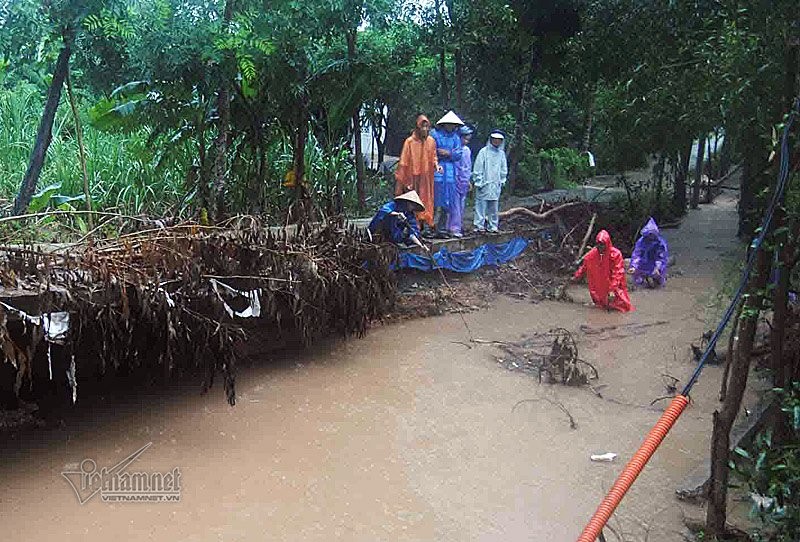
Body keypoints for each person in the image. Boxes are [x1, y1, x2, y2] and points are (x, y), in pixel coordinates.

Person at [394, 115, 440, 231]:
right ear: (417, 127)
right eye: (422, 126)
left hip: (426, 177)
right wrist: (403, 178)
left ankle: (425, 221)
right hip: (412, 176)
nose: (425, 129)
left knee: (426, 199)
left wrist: (436, 165)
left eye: (427, 126)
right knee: (413, 200)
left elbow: (434, 156)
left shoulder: (431, 141)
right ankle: (414, 225)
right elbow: (404, 161)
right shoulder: (409, 142)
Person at [572, 230, 634, 312]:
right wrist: (576, 277)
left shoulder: (615, 254)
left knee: (622, 307)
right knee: (601, 307)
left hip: (614, 285)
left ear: (607, 243)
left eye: (602, 244)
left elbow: (618, 272)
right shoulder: (591, 255)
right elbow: (584, 267)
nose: (600, 247)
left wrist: (612, 289)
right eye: (598, 244)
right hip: (599, 286)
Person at [431, 111, 465, 237]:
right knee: (435, 200)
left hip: (450, 173)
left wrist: (448, 153)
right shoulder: (435, 134)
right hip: (437, 170)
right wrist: (446, 153)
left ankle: (442, 228)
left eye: (453, 124)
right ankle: (429, 227)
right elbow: (432, 151)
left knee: (448, 201)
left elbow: (458, 154)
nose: (451, 126)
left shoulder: (456, 137)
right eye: (449, 124)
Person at [472, 130, 507, 233]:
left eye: (499, 140)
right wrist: (479, 181)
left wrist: (502, 180)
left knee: (494, 206)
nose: (497, 142)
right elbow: (478, 167)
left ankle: (493, 226)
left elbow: (503, 169)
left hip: (496, 184)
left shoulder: (501, 154)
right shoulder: (483, 152)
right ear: (491, 140)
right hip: (484, 183)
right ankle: (479, 226)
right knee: (480, 206)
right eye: (495, 139)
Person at [448, 125, 474, 237]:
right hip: (455, 180)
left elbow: (467, 167)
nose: (466, 141)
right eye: (465, 138)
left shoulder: (467, 150)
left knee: (461, 205)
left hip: (464, 181)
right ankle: (452, 228)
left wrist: (468, 181)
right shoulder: (455, 150)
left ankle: (458, 226)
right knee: (454, 206)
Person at [629, 217, 669, 288]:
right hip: (642, 264)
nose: (650, 236)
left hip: (654, 264)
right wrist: (634, 266)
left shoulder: (660, 243)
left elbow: (661, 258)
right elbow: (637, 255)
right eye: (649, 234)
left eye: (652, 234)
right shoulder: (641, 242)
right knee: (638, 282)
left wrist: (658, 268)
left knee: (657, 283)